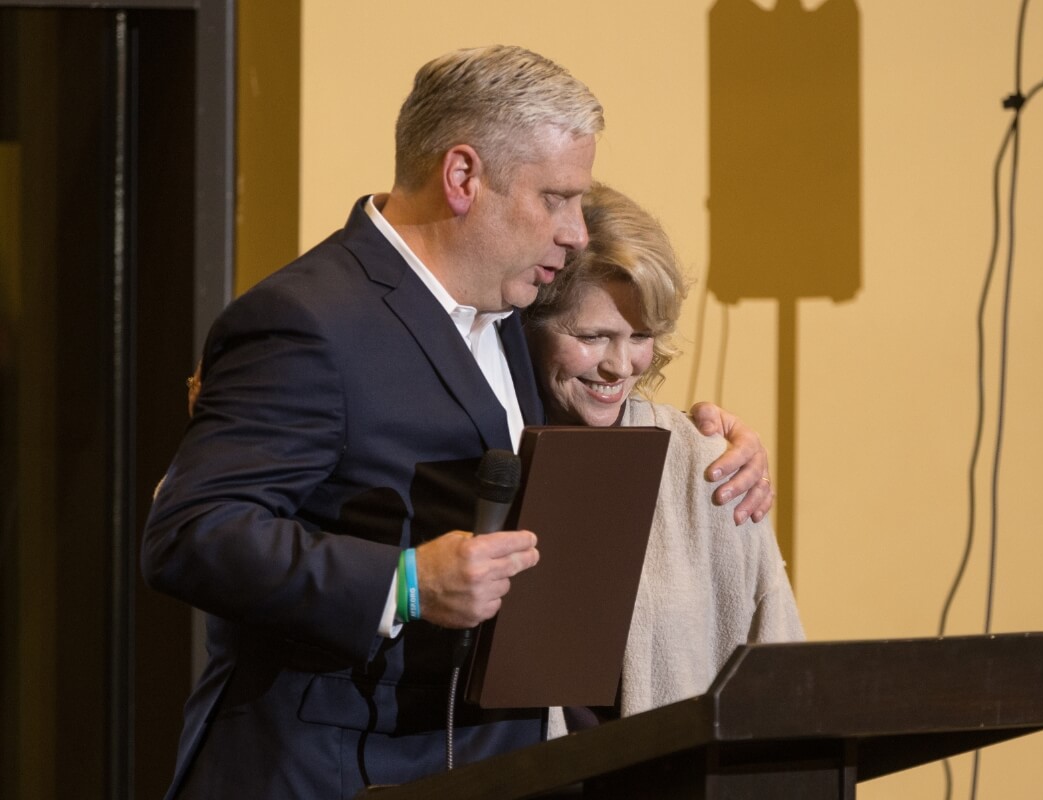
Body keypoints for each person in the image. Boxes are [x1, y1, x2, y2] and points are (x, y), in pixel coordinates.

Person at [142, 46, 772, 799]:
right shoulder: (307, 321)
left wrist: (710, 439)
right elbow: (193, 532)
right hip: (328, 774)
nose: (576, 231)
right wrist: (405, 584)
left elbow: (586, 399)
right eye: (557, 199)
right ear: (463, 176)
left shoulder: (509, 315)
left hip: (490, 768)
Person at [522, 183, 804, 732]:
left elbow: (780, 670)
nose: (620, 365)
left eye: (641, 335)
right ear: (529, 324)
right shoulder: (486, 448)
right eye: (593, 336)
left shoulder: (708, 465)